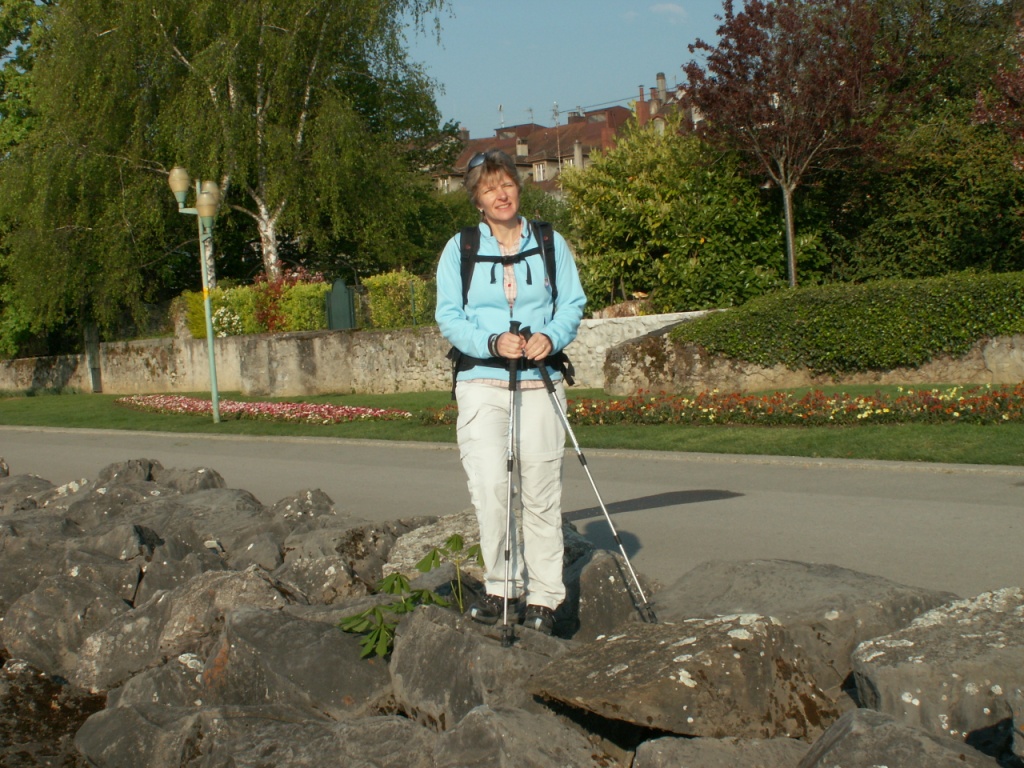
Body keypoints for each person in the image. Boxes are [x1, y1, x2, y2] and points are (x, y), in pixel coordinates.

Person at [434, 149, 586, 635]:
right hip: (481, 382)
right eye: (488, 188)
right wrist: (491, 341)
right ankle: (503, 588)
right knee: (491, 490)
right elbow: (448, 316)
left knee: (541, 491)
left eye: (506, 184)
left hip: (539, 380)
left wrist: (550, 337)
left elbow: (572, 303)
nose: (500, 195)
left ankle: (545, 598)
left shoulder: (549, 241)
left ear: (519, 188)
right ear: (476, 199)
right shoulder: (459, 248)